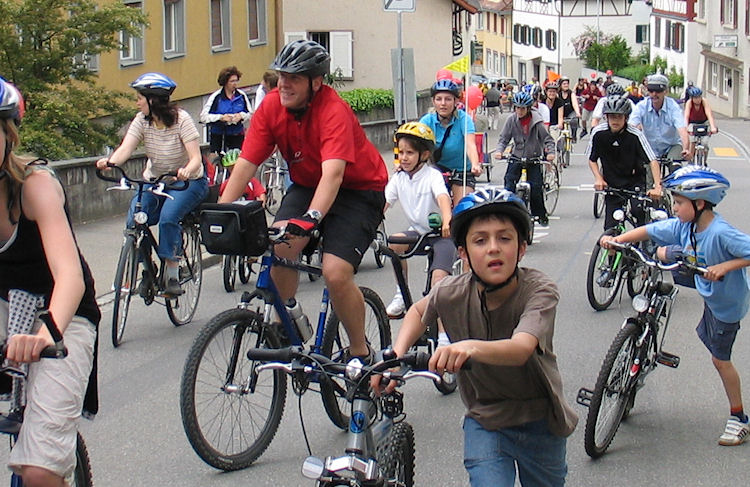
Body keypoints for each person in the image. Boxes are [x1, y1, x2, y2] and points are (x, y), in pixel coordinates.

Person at [373, 188, 578, 486]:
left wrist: (468, 347)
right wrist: (396, 356)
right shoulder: (451, 291)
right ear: (463, 253)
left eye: (504, 238)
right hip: (485, 420)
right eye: (480, 240)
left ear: (522, 248)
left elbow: (521, 348)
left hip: (540, 421)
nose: (493, 248)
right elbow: (418, 311)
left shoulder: (539, 291)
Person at [220, 40, 387, 363]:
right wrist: (221, 211)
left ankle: (360, 352)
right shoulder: (271, 107)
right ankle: (286, 323)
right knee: (280, 246)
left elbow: (334, 175)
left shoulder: (333, 110)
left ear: (316, 82)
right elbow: (246, 164)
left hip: (358, 190)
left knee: (335, 272)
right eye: (282, 76)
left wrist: (312, 218)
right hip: (308, 184)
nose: (284, 83)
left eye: (294, 78)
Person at [600, 165, 750, 446]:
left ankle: (739, 418)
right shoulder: (686, 226)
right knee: (661, 251)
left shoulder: (721, 233)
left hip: (725, 303)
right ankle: (644, 342)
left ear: (700, 204)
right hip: (704, 282)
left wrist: (726, 266)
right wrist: (616, 240)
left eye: (679, 203)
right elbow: (652, 229)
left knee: (720, 359)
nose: (674, 208)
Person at [0, 76, 99, 486]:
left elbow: (69, 277)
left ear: (8, 135)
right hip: (6, 308)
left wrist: (46, 334)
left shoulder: (35, 187)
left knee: (40, 472)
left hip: (61, 313)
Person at [96, 73, 209, 297]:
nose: (137, 103)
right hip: (156, 180)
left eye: (140, 98)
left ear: (153, 100)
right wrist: (110, 162)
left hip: (188, 182)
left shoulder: (182, 119)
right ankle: (147, 268)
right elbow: (126, 148)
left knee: (168, 217)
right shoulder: (141, 120)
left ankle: (172, 273)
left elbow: (196, 158)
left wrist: (186, 170)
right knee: (134, 219)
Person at [383, 122, 456, 319]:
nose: (404, 158)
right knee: (394, 243)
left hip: (441, 235)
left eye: (410, 153)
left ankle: (442, 332)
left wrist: (447, 221)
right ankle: (401, 295)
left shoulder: (432, 175)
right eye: (401, 152)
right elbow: (384, 203)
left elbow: (442, 197)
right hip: (418, 232)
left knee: (438, 281)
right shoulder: (399, 178)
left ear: (424, 155)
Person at [586, 95, 662, 230]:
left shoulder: (635, 135)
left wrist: (657, 186)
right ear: (606, 117)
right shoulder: (598, 133)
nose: (615, 121)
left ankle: (644, 240)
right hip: (612, 184)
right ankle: (613, 243)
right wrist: (598, 178)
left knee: (639, 214)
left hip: (634, 182)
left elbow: (652, 160)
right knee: (610, 227)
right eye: (612, 117)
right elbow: (592, 159)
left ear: (626, 118)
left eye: (619, 117)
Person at [497, 91, 556, 227]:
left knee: (536, 188)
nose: (520, 111)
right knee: (509, 183)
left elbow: (547, 139)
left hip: (533, 157)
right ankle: (508, 212)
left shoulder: (537, 122)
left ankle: (540, 214)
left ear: (528, 108)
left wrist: (550, 153)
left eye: (522, 108)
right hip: (516, 157)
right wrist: (499, 151)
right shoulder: (511, 120)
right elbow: (504, 138)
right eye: (517, 108)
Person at [420, 79, 481, 208]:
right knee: (431, 208)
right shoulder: (427, 121)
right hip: (436, 170)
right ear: (433, 101)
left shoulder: (464, 119)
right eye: (439, 99)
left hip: (462, 171)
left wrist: (475, 164)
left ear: (456, 101)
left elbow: (470, 144)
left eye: (448, 99)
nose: (443, 103)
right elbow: (416, 146)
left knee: (462, 208)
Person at [630, 73, 690, 162]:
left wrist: (686, 148)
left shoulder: (673, 107)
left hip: (672, 146)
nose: (654, 94)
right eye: (651, 91)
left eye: (658, 91)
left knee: (675, 165)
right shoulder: (641, 106)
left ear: (665, 91)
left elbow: (682, 129)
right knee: (646, 168)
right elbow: (631, 127)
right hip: (649, 147)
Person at [199, 66, 252, 157]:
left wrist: (241, 116)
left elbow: (250, 113)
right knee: (217, 160)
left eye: (236, 81)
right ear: (225, 82)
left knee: (236, 160)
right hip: (218, 136)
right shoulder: (216, 97)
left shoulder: (241, 96)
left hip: (236, 135)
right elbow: (203, 117)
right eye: (232, 81)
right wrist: (221, 117)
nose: (235, 84)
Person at [683, 86, 719, 160]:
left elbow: (709, 114)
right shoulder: (689, 103)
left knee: (704, 143)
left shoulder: (704, 101)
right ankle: (691, 159)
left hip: (704, 122)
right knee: (692, 141)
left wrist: (712, 127)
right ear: (692, 98)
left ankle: (704, 160)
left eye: (699, 97)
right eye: (695, 98)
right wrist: (685, 127)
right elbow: (686, 116)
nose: (698, 99)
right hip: (693, 123)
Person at [559, 77, 582, 142]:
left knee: (574, 121)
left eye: (567, 84)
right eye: (564, 84)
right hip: (561, 113)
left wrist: (577, 112)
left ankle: (574, 136)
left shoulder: (571, 93)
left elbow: (575, 104)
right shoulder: (558, 94)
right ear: (560, 85)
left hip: (570, 113)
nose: (566, 85)